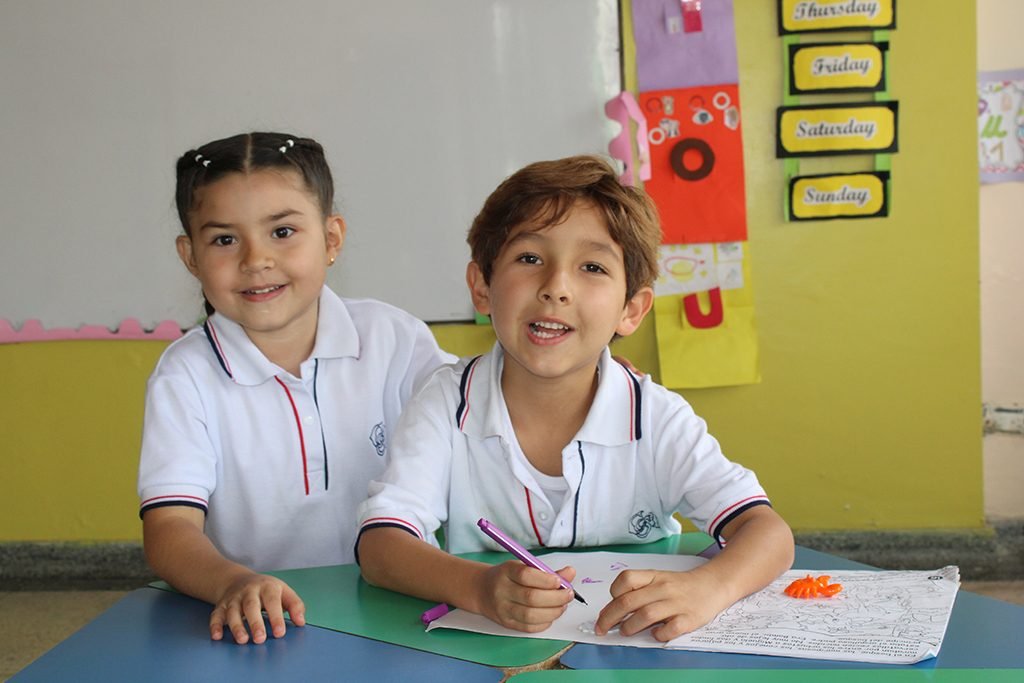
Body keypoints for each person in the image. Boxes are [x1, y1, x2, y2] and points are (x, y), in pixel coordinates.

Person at [356, 155, 793, 642]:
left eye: (591, 267)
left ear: (631, 309)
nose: (556, 288)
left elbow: (767, 532)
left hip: (638, 655)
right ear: (482, 287)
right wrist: (477, 588)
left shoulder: (655, 416)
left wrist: (709, 588)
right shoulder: (443, 402)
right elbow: (380, 547)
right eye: (529, 259)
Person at [138, 132, 453, 645]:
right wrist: (234, 582)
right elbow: (169, 530)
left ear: (331, 239)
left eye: (282, 231)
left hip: (403, 610)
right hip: (264, 625)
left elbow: (483, 416)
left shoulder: (395, 339)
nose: (256, 259)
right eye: (223, 239)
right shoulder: (186, 375)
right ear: (190, 256)